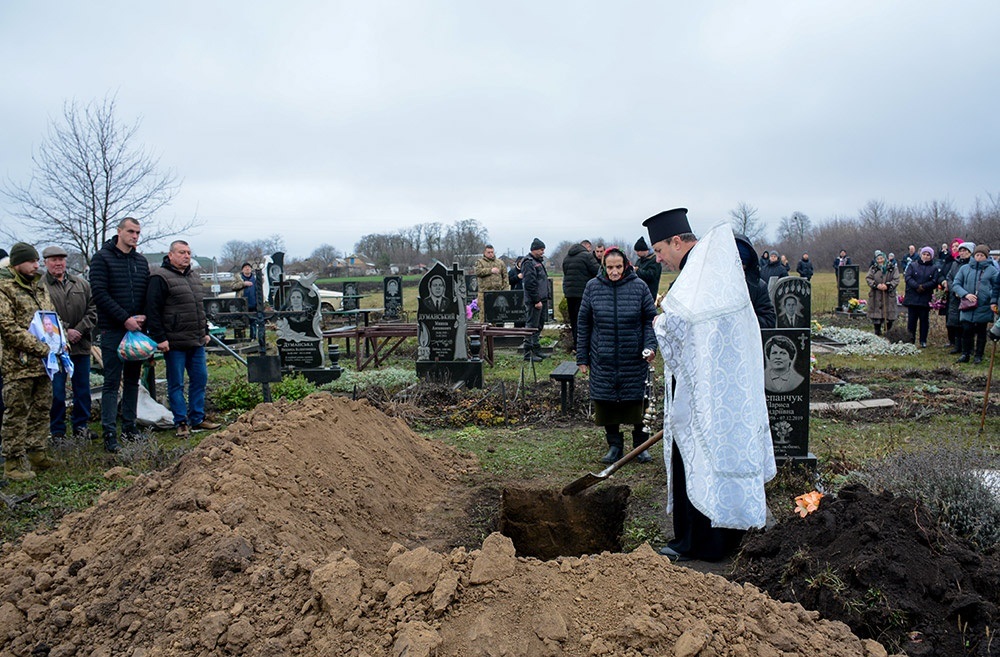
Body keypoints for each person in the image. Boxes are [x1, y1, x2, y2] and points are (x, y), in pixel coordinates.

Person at [643, 208, 775, 563]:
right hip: (714, 385)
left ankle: (697, 544)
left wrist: (662, 324)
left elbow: (694, 323)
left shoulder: (704, 271)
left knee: (699, 456)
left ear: (676, 241)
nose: (659, 259)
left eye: (659, 250)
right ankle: (716, 540)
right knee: (713, 455)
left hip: (707, 392)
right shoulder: (704, 267)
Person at [576, 248, 657, 464]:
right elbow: (584, 322)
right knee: (606, 402)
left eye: (618, 267)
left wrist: (650, 346)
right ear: (604, 266)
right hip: (603, 356)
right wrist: (582, 357)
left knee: (637, 400)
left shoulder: (639, 286)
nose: (614, 272)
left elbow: (650, 318)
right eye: (610, 267)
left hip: (633, 356)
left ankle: (641, 446)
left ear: (626, 266)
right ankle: (614, 446)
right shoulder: (592, 287)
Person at [146, 240, 220, 437]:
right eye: (181, 252)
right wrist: (160, 338)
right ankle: (181, 422)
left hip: (196, 340)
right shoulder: (160, 277)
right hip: (174, 342)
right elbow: (153, 310)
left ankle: (197, 417)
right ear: (170, 255)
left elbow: (198, 307)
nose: (186, 256)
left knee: (199, 379)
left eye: (188, 252)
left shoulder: (194, 277)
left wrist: (205, 331)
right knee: (176, 383)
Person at [0, 242, 60, 480]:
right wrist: (40, 347)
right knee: (17, 412)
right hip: (18, 364)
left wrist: (58, 341)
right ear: (17, 263)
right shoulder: (5, 289)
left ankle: (37, 453)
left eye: (37, 261)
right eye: (31, 261)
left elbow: (51, 319)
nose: (37, 265)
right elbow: (7, 327)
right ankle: (13, 463)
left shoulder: (40, 287)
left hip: (43, 364)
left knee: (41, 408)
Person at [89, 217, 150, 453]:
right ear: (119, 232)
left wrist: (143, 317)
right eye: (131, 232)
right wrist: (125, 318)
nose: (135, 236)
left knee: (133, 380)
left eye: (138, 232)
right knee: (112, 382)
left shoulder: (140, 262)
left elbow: (145, 292)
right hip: (114, 329)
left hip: (137, 331)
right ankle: (109, 433)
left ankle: (129, 426)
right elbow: (100, 294)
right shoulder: (102, 259)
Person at [43, 245, 97, 441]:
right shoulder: (41, 287)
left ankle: (81, 426)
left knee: (82, 389)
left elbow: (93, 310)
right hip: (55, 349)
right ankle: (57, 430)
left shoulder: (81, 284)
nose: (58, 263)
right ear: (45, 262)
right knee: (57, 391)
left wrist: (79, 330)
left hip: (81, 345)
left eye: (61, 259)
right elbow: (42, 316)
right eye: (53, 260)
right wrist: (65, 331)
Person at [952, 244, 999, 364]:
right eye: (977, 254)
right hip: (967, 304)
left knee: (981, 330)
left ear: (986, 257)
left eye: (982, 255)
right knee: (966, 329)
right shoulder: (965, 268)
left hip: (983, 306)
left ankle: (979, 355)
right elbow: (956, 284)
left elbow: (996, 287)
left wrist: (988, 295)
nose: (979, 257)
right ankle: (965, 353)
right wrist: (965, 294)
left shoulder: (992, 270)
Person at [902, 246, 943, 348]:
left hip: (925, 297)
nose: (926, 256)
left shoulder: (933, 268)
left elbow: (934, 281)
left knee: (924, 321)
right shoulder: (912, 265)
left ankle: (923, 340)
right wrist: (916, 286)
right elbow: (908, 277)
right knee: (911, 321)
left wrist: (924, 287)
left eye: (928, 255)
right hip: (912, 296)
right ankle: (910, 340)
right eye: (924, 254)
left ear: (931, 257)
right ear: (921, 255)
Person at [562, 240, 599, 351]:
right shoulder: (587, 256)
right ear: (586, 246)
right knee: (585, 320)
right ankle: (586, 347)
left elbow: (565, 273)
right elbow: (597, 271)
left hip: (570, 294)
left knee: (574, 321)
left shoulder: (567, 258)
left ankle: (577, 346)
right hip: (583, 293)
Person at [734, 234, 776, 329]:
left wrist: (743, 321)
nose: (738, 269)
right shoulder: (716, 286)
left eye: (742, 264)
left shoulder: (758, 286)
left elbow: (769, 320)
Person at [521, 238, 549, 362]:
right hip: (534, 301)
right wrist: (536, 300)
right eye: (541, 250)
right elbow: (530, 283)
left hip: (542, 299)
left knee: (539, 326)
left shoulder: (538, 261)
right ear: (534, 249)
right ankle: (527, 352)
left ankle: (537, 349)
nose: (542, 252)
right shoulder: (528, 262)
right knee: (531, 326)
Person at [943, 242, 973, 353]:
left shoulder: (972, 264)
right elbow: (949, 277)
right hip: (955, 297)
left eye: (965, 251)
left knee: (967, 324)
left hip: (968, 297)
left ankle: (968, 348)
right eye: (961, 250)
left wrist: (962, 292)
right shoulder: (955, 263)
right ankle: (957, 346)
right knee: (956, 323)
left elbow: (972, 281)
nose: (963, 253)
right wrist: (954, 289)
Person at [866, 250, 900, 336]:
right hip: (876, 293)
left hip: (888, 294)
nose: (880, 260)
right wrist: (875, 285)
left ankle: (888, 331)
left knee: (889, 313)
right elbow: (868, 278)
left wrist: (888, 286)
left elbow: (896, 279)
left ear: (885, 258)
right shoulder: (873, 268)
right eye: (878, 259)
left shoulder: (892, 268)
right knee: (876, 313)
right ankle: (877, 330)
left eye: (881, 258)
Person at [474, 245, 508, 319]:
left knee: (497, 313)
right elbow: (478, 272)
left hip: (497, 292)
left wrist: (505, 291)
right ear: (484, 252)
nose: (490, 254)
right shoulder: (480, 262)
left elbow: (505, 277)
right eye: (488, 252)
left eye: (492, 252)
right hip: (484, 292)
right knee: (483, 313)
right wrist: (490, 270)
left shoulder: (500, 263)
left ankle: (496, 329)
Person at [231, 262, 258, 338]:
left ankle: (253, 337)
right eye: (245, 267)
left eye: (249, 267)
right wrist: (243, 284)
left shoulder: (255, 278)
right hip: (241, 304)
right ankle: (240, 338)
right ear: (242, 270)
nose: (247, 269)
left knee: (253, 322)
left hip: (253, 304)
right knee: (241, 322)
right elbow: (233, 286)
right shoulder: (238, 278)